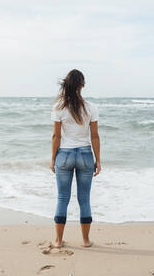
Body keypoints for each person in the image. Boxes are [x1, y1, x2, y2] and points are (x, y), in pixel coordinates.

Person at [50, 69, 101, 248]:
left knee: (63, 198)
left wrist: (52, 159)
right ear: (83, 85)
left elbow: (56, 137)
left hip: (64, 154)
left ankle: (58, 241)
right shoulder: (91, 108)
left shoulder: (59, 107)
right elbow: (94, 136)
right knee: (84, 199)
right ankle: (86, 240)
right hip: (85, 155)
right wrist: (98, 160)